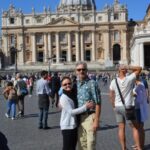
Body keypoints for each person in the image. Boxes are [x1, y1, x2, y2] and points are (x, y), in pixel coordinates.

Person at [109, 64, 142, 150]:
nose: (127, 70)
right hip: (128, 107)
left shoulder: (113, 81)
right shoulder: (129, 79)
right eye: (125, 69)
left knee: (121, 128)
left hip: (117, 107)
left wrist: (113, 106)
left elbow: (111, 95)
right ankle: (138, 148)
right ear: (123, 70)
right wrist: (128, 66)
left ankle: (123, 148)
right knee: (135, 128)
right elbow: (139, 68)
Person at [59, 76, 94, 150]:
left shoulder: (72, 94)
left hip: (74, 125)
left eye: (69, 83)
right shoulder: (64, 97)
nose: (67, 85)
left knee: (72, 147)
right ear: (62, 86)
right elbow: (71, 112)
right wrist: (85, 107)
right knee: (68, 148)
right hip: (67, 126)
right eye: (65, 84)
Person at [75, 62, 101, 150]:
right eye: (79, 69)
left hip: (90, 117)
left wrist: (96, 120)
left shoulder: (92, 83)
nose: (81, 71)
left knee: (90, 145)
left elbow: (98, 103)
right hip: (79, 119)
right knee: (82, 145)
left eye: (83, 69)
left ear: (86, 71)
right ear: (76, 71)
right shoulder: (75, 84)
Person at [133, 76, 149, 149]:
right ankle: (139, 144)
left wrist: (146, 98)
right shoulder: (134, 82)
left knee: (138, 128)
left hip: (138, 107)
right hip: (138, 107)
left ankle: (139, 145)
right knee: (138, 128)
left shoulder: (142, 82)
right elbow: (146, 91)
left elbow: (146, 91)